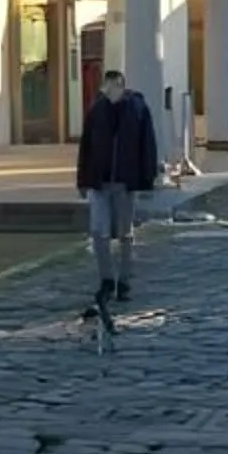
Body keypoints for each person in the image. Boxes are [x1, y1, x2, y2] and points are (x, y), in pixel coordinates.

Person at [75, 66, 159, 310]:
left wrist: (147, 178)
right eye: (109, 86)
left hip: (124, 181)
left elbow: (148, 144)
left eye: (116, 86)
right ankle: (106, 280)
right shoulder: (96, 110)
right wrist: (82, 180)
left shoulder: (137, 109)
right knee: (99, 233)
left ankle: (124, 280)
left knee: (125, 233)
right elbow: (86, 146)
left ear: (122, 86)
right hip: (99, 182)